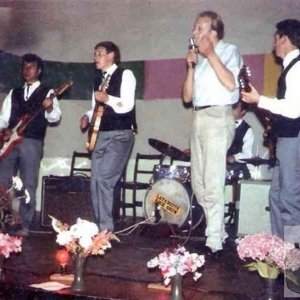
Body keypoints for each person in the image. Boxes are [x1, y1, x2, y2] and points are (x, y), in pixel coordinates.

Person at [182, 11, 243, 256]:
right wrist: (190, 67)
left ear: (213, 31)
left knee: (213, 180)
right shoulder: (199, 59)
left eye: (199, 28)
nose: (194, 32)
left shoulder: (229, 50)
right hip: (198, 118)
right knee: (199, 184)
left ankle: (214, 240)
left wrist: (210, 54)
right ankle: (220, 231)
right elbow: (187, 97)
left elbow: (231, 85)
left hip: (219, 117)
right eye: (194, 28)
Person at [242, 19, 300, 239]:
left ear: (284, 39)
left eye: (275, 39)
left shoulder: (297, 67)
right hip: (287, 138)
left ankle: (293, 263)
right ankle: (280, 252)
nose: (273, 44)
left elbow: (294, 110)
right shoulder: (290, 68)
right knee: (276, 197)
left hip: (294, 139)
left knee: (290, 201)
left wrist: (260, 100)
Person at [0, 53, 62, 236]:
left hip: (32, 142)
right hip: (9, 143)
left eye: (31, 67)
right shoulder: (14, 92)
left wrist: (49, 107)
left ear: (39, 70)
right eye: (24, 67)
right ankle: (5, 221)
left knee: (28, 184)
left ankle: (24, 225)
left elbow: (55, 117)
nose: (27, 70)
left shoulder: (48, 92)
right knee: (3, 181)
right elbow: (4, 118)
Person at [80, 41, 136, 232]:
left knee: (104, 178)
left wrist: (108, 99)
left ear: (112, 55)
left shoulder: (125, 74)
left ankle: (106, 228)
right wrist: (87, 117)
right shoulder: (97, 79)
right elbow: (94, 108)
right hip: (99, 135)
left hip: (120, 134)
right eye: (95, 54)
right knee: (95, 179)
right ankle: (99, 225)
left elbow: (127, 106)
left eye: (100, 54)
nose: (96, 57)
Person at [226, 100, 254, 182]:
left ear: (243, 112)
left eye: (235, 107)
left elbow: (247, 154)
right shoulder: (221, 125)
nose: (231, 109)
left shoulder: (248, 130)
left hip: (236, 170)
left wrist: (234, 157)